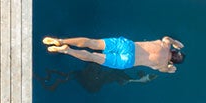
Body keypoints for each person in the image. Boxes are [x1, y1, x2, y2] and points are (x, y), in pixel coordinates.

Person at [42, 35, 184, 73]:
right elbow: (167, 70)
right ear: (173, 61)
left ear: (174, 51)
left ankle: (60, 40)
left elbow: (167, 38)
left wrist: (176, 42)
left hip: (128, 46)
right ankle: (67, 50)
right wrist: (170, 68)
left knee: (93, 43)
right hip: (127, 61)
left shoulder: (164, 45)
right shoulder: (163, 65)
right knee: (93, 57)